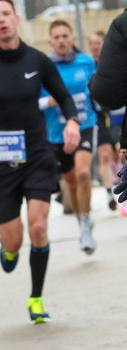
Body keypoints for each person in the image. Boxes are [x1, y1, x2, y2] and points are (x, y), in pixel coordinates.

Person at [0, 0, 80, 324]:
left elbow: (65, 97)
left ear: (16, 19)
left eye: (6, 14)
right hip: (1, 160)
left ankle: (36, 298)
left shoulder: (38, 60)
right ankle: (9, 249)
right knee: (14, 240)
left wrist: (72, 121)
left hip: (38, 155)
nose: (1, 20)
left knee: (39, 227)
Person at [38, 20, 97, 254]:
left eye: (65, 36)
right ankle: (82, 217)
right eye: (57, 37)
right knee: (71, 182)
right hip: (57, 132)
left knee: (83, 173)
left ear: (72, 39)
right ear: (51, 42)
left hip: (85, 123)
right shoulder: (44, 68)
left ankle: (85, 224)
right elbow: (32, 100)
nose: (62, 40)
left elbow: (98, 89)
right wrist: (47, 101)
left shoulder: (87, 62)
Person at [87, 29, 121, 211]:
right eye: (92, 44)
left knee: (119, 152)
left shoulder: (115, 63)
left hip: (117, 115)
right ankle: (109, 192)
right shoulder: (87, 64)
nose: (95, 47)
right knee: (105, 154)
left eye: (98, 43)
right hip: (97, 117)